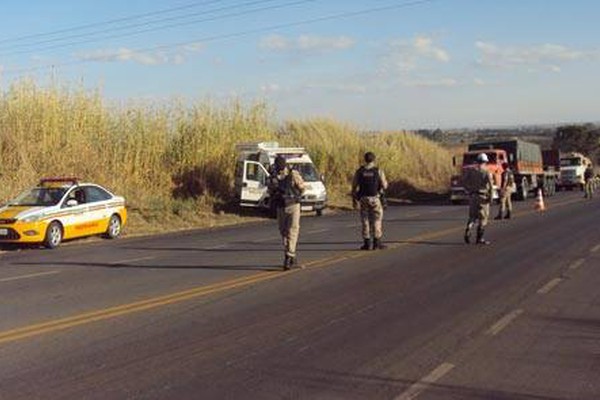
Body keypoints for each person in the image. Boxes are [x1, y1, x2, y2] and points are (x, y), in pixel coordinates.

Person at [268, 155, 306, 270]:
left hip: (293, 205)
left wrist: (297, 196)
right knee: (284, 232)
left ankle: (289, 257)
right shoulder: (274, 177)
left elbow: (302, 188)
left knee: (292, 231)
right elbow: (270, 191)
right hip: (281, 206)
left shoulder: (292, 174)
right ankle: (291, 255)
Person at [352, 151, 389, 250]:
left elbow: (354, 186)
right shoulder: (378, 171)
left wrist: (354, 200)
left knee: (365, 220)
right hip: (375, 199)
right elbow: (384, 185)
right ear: (374, 159)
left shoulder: (359, 171)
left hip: (363, 199)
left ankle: (367, 243)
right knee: (377, 219)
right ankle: (377, 242)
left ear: (365, 159)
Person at [463, 153, 494, 245]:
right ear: (485, 162)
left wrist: (468, 190)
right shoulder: (486, 172)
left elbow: (464, 181)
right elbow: (491, 186)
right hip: (482, 197)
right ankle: (479, 238)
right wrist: (490, 198)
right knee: (483, 218)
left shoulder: (471, 170)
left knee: (472, 216)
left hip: (473, 196)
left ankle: (469, 228)